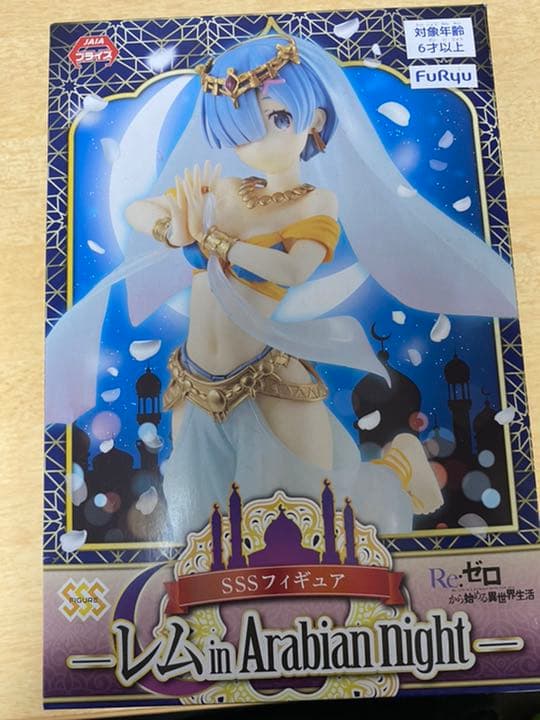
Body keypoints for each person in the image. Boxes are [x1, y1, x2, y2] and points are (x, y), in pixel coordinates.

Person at [46, 34, 517, 541]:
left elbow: (292, 270)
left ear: (314, 120)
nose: (259, 142)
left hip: (266, 381)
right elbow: (141, 210)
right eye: (241, 130)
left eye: (278, 119)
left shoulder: (314, 203)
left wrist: (213, 242)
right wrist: (174, 231)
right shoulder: (225, 189)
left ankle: (398, 467)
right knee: (200, 519)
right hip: (194, 382)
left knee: (300, 510)